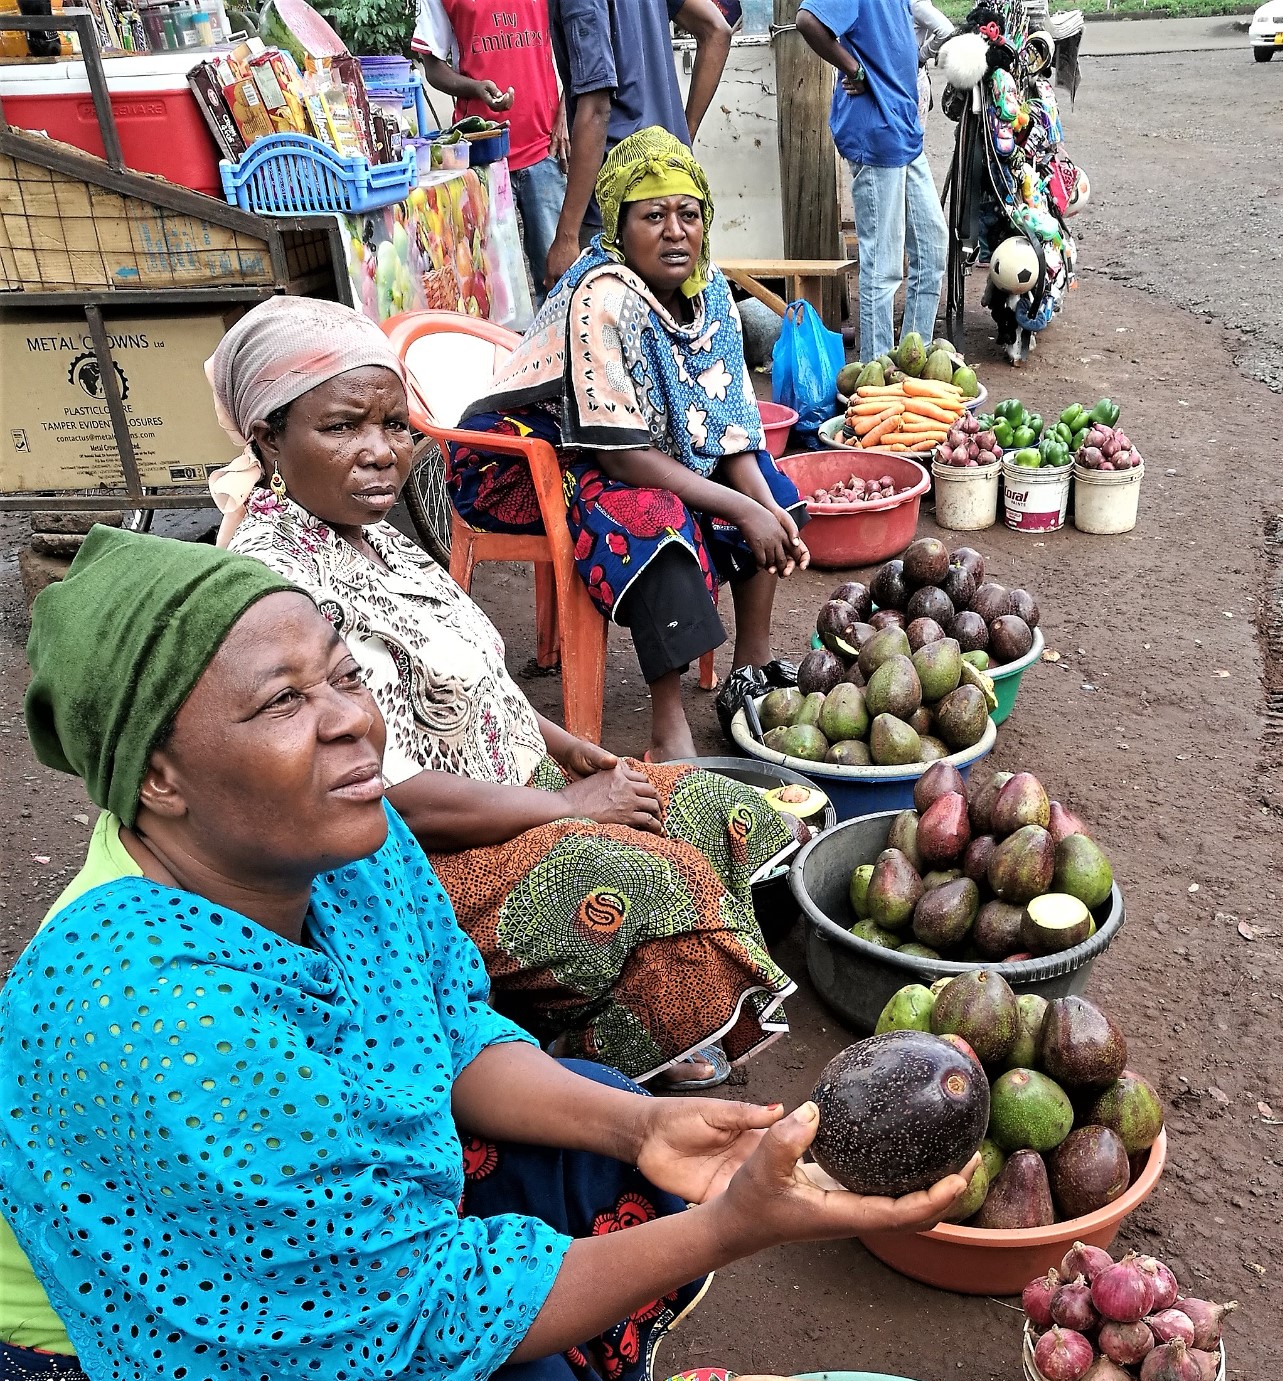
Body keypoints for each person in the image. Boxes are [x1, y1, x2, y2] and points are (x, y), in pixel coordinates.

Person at [0, 528, 972, 1381]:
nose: (355, 722)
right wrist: (737, 1229)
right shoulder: (150, 1020)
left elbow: (448, 1029)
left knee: (619, 1138)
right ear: (157, 775)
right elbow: (402, 1319)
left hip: (331, 1263)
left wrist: (636, 1132)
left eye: (345, 674)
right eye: (284, 702)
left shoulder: (329, 843)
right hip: (115, 1371)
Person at [206, 295, 797, 1089]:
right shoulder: (275, 587)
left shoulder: (381, 540)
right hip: (421, 862)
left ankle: (626, 1014)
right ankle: (576, 1073)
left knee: (717, 809)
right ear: (268, 437)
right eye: (344, 427)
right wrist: (568, 808)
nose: (381, 452)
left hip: (515, 793)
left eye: (395, 426)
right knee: (650, 879)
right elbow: (390, 799)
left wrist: (563, 748)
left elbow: (471, 677)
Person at [446, 130, 810, 766]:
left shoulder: (710, 287)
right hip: (538, 459)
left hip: (641, 447)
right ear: (618, 226)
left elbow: (728, 424)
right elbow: (617, 458)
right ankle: (666, 726)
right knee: (653, 522)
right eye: (653, 216)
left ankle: (750, 673)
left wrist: (760, 505)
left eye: (688, 215)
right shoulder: (602, 294)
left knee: (774, 490)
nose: (675, 232)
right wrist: (739, 508)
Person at [796, 0, 946, 365]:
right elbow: (807, 20)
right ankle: (878, 379)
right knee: (883, 266)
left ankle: (913, 364)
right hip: (876, 135)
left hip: (905, 133)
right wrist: (854, 69)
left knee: (931, 250)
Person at [544, 0, 733, 290]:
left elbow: (596, 107)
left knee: (609, 328)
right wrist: (680, 141)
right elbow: (717, 30)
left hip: (620, 208)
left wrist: (567, 235)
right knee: (675, 326)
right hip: (675, 188)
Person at [411, 0, 569, 297]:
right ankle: (509, 344)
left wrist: (565, 112)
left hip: (544, 148)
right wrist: (475, 88)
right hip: (481, 157)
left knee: (558, 280)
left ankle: (559, 342)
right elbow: (432, 65)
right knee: (494, 291)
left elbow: (578, 46)